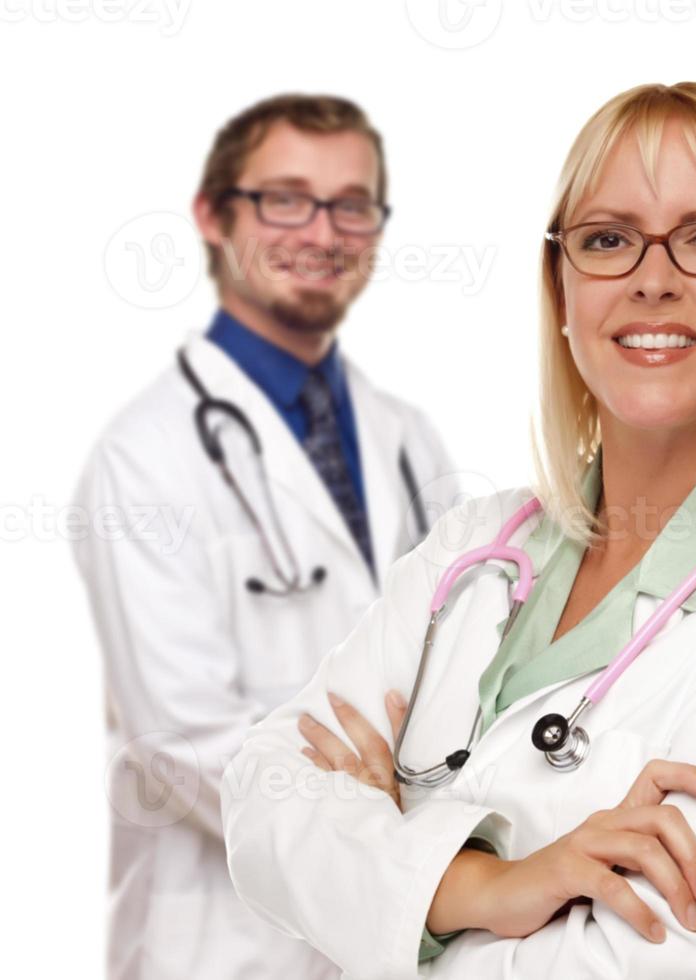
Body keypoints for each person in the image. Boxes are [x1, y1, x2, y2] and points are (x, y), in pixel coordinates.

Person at [220, 82, 696, 978]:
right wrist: (482, 888)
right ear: (562, 289)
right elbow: (261, 793)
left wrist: (377, 873)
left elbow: (657, 969)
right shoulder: (470, 551)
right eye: (609, 239)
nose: (653, 278)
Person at [71, 93, 457, 980]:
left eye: (351, 204)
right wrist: (400, 834)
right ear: (213, 214)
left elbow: (465, 672)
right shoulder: (145, 457)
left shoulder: (406, 438)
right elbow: (184, 736)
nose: (322, 231)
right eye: (285, 198)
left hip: (401, 936)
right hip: (222, 948)